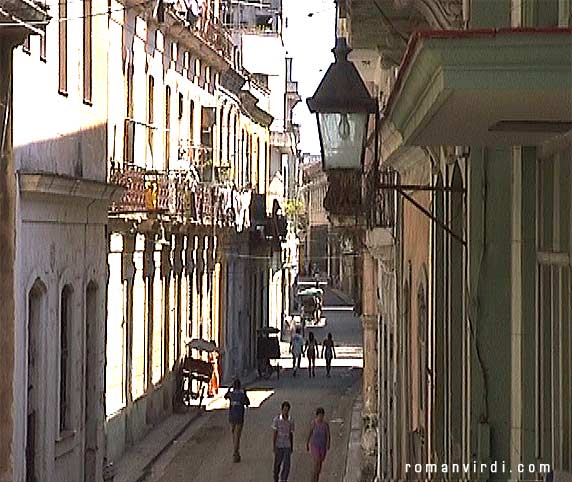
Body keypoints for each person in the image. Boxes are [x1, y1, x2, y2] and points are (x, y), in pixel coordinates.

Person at [224, 378, 250, 462]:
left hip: (232, 418)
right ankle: (236, 453)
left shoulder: (231, 394)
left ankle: (236, 452)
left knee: (234, 435)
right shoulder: (241, 395)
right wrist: (245, 393)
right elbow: (247, 403)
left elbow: (225, 396)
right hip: (239, 418)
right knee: (237, 436)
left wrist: (229, 389)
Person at [306, 407, 330, 482]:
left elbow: (328, 435)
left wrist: (328, 444)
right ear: (317, 415)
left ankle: (316, 479)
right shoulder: (313, 423)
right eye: (319, 415)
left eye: (322, 415)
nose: (321, 417)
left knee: (319, 466)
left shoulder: (325, 424)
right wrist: (307, 443)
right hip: (315, 445)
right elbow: (310, 433)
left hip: (322, 446)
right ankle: (313, 479)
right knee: (317, 462)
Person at [272, 401, 294, 482]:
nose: (286, 412)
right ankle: (276, 477)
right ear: (282, 410)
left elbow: (291, 433)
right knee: (277, 464)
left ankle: (284, 479)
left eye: (287, 410)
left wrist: (292, 445)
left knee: (287, 465)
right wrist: (274, 445)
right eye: (284, 410)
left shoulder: (291, 420)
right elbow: (275, 433)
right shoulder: (277, 420)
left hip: (287, 445)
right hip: (279, 444)